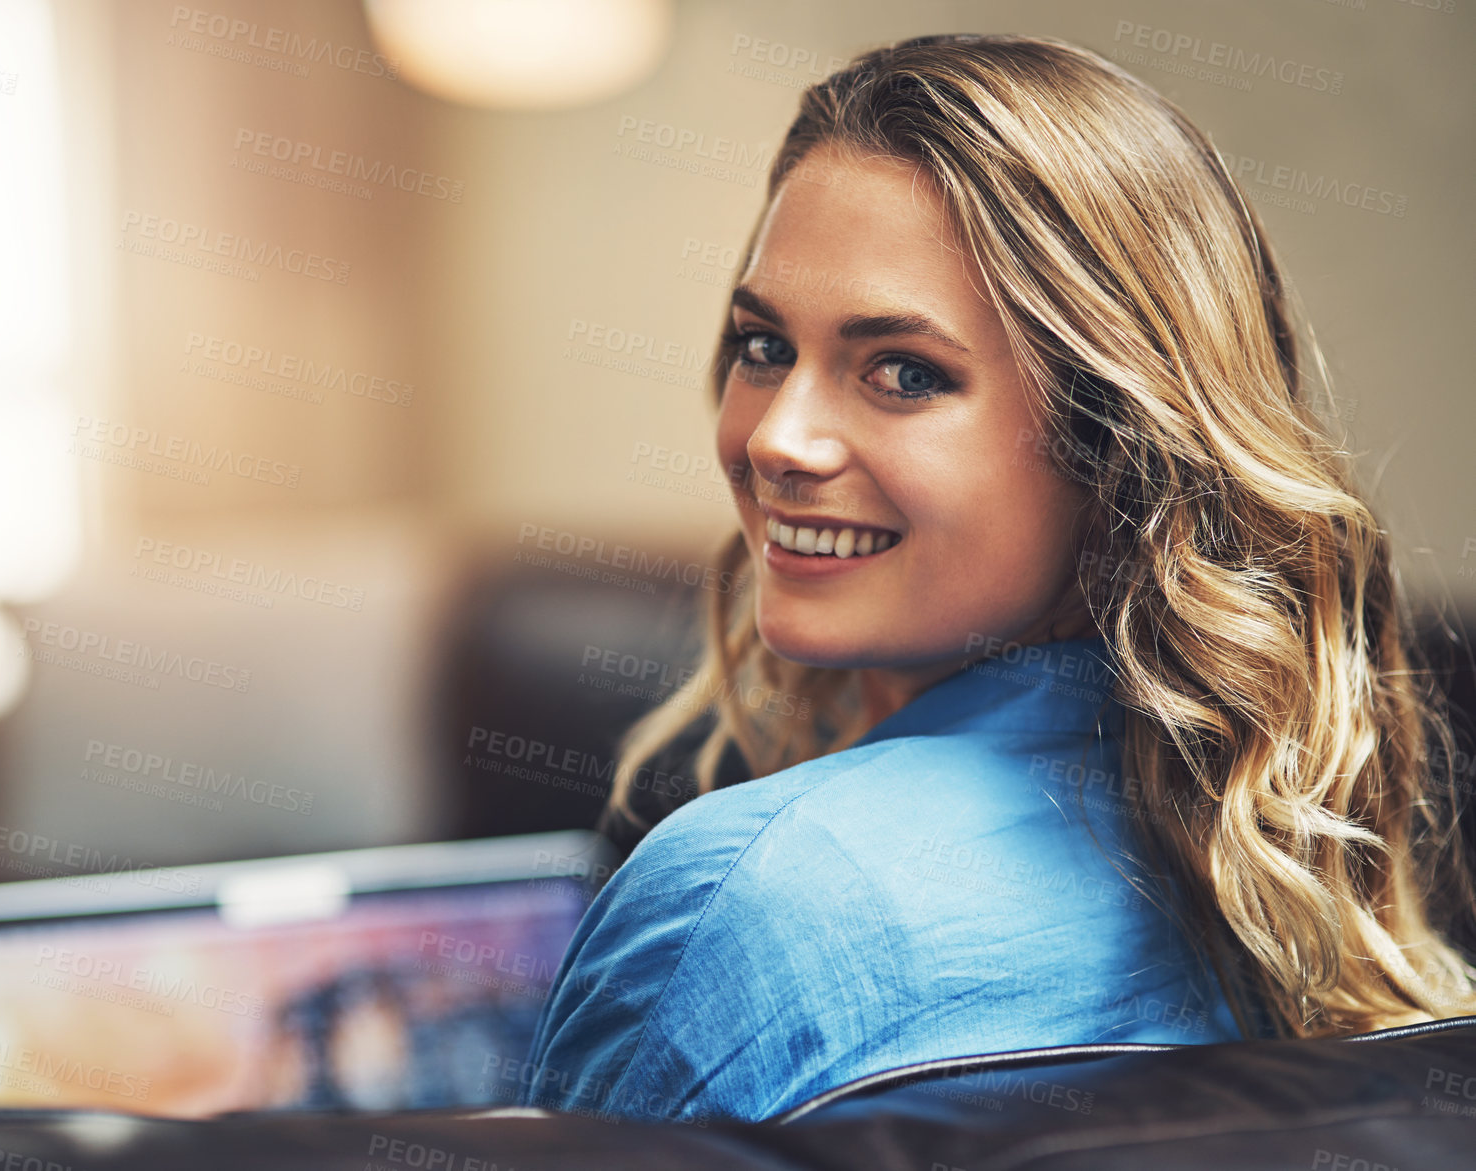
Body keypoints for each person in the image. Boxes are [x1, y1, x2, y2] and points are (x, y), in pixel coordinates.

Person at [517, 33, 1476, 1125]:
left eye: (905, 373)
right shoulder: (1272, 876)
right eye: (763, 346)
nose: (779, 437)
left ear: (1117, 442)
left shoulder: (747, 897)